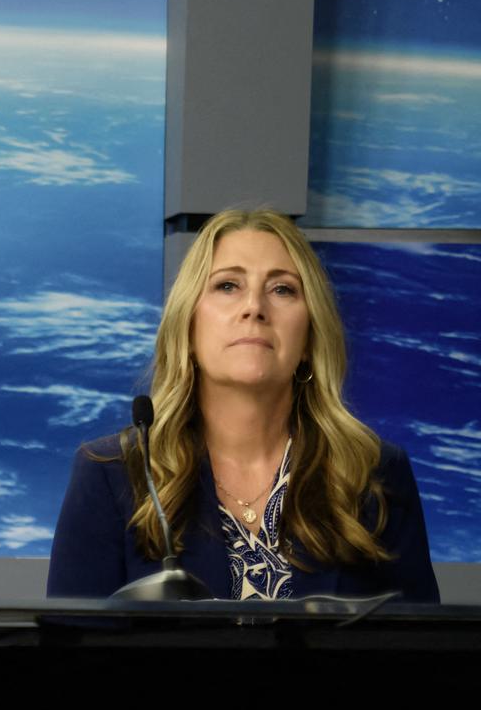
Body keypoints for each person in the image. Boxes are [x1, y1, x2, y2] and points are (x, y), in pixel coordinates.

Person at [45, 207, 437, 602]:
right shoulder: (113, 474)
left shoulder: (375, 473)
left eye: (282, 289)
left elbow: (420, 649)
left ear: (309, 340)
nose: (254, 307)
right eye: (227, 286)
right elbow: (68, 649)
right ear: (189, 324)